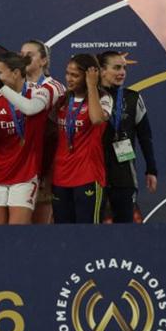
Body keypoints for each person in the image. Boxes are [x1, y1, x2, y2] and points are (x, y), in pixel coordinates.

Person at [0, 52, 51, 224]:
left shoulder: (40, 92)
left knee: (17, 232)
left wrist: (0, 87)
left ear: (16, 73)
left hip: (26, 174)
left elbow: (29, 108)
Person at [51, 54, 112, 224]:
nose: (69, 79)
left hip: (88, 175)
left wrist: (92, 86)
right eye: (67, 73)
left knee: (88, 235)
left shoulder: (103, 98)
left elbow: (97, 119)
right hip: (60, 176)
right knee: (63, 234)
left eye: (75, 75)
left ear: (88, 76)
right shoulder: (62, 100)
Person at [98, 51, 157, 223]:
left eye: (124, 68)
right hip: (93, 171)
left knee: (125, 226)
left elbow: (145, 136)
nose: (122, 72)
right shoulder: (91, 97)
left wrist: (151, 169)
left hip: (124, 173)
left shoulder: (133, 97)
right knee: (92, 229)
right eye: (116, 67)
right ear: (102, 70)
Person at [21, 40, 66, 224]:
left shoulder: (55, 88)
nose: (23, 58)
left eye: (29, 55)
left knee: (40, 224)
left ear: (43, 61)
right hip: (15, 162)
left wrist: (44, 169)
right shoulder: (13, 86)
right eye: (21, 54)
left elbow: (53, 133)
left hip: (42, 163)